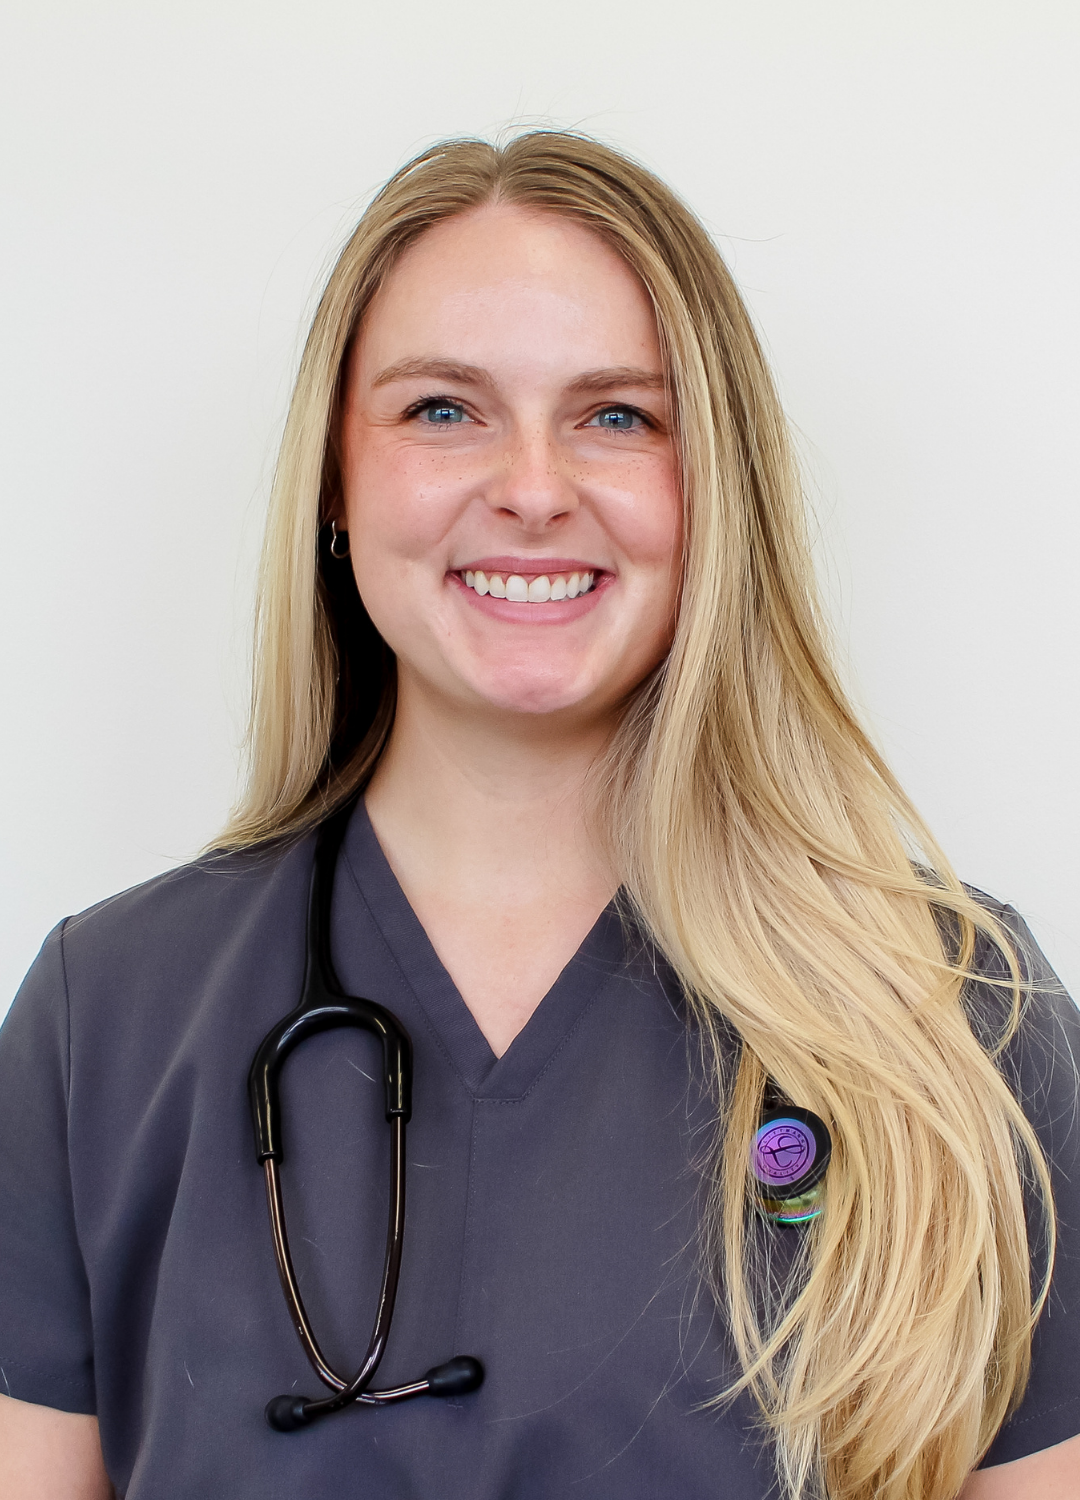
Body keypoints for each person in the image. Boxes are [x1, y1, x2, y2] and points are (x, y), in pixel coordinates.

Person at [0, 132, 1077, 1500]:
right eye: (442, 409)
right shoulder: (106, 1020)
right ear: (336, 477)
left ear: (717, 484)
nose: (531, 486)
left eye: (617, 416)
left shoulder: (954, 1014)